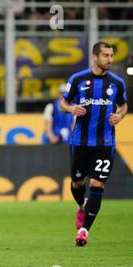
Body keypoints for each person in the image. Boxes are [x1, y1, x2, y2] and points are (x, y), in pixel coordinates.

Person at [60, 41, 128, 246]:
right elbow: (63, 103)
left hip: (105, 143)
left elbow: (123, 105)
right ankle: (82, 206)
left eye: (111, 55)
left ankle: (83, 231)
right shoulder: (78, 79)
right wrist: (71, 109)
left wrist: (120, 115)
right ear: (95, 57)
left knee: (98, 184)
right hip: (80, 142)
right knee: (77, 183)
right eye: (106, 55)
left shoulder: (117, 83)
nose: (110, 59)